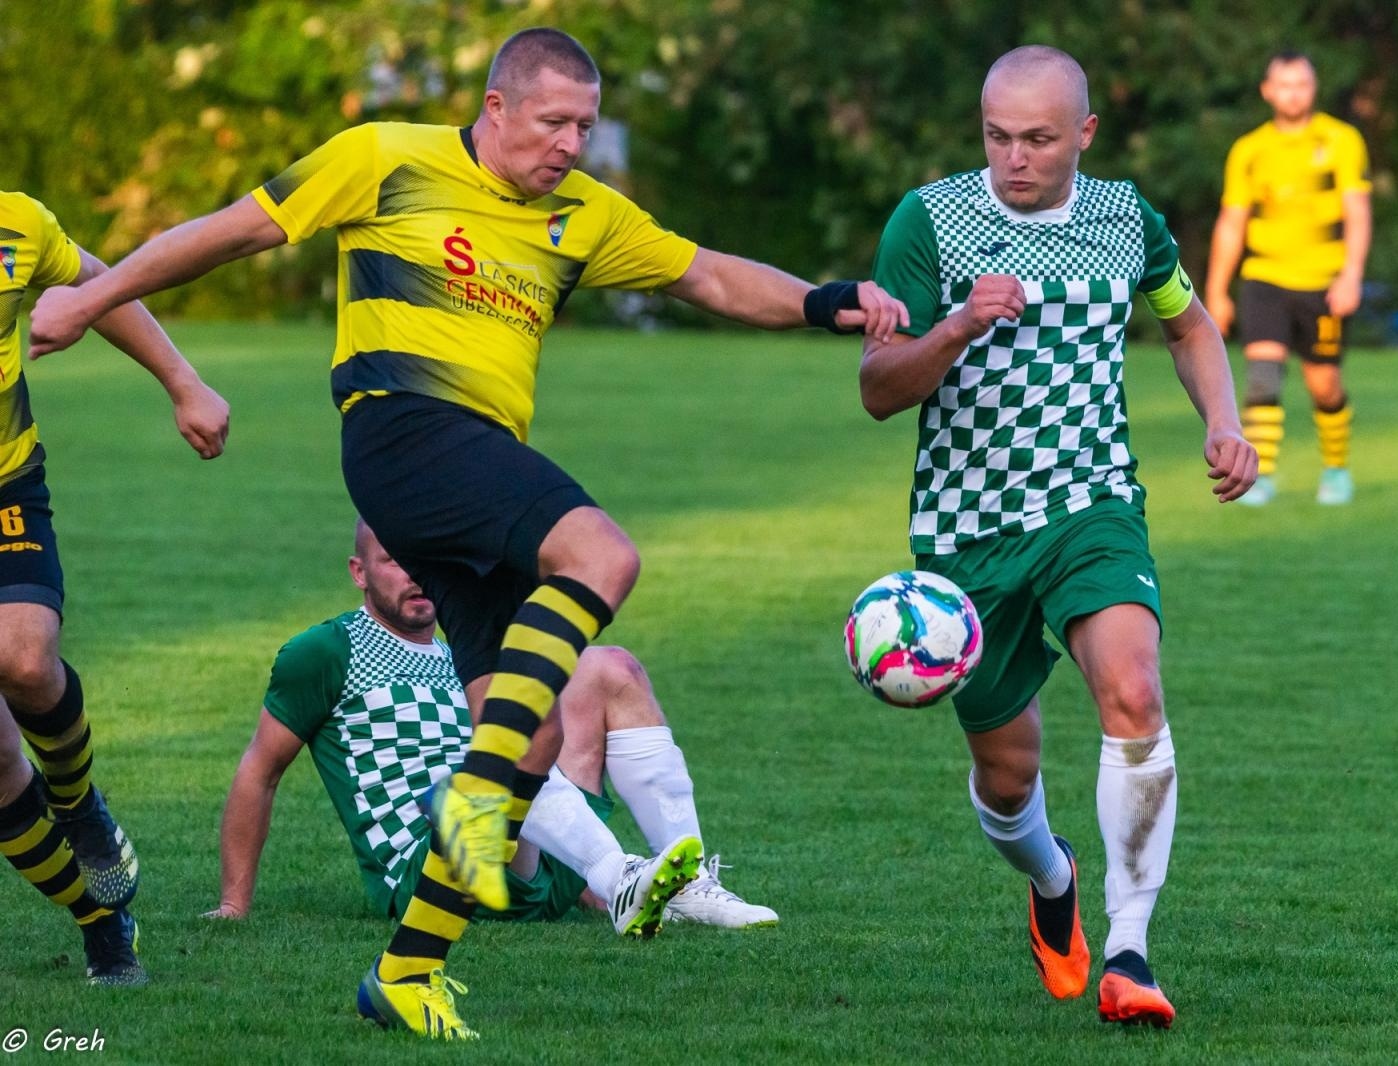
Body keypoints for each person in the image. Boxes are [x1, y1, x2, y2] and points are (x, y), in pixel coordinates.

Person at [28, 28, 902, 1036]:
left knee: (530, 734)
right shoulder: (385, 157)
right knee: (603, 555)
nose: (570, 143)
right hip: (403, 429)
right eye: (553, 121)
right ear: (495, 108)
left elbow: (704, 276)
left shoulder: (583, 213)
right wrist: (93, 296)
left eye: (585, 125)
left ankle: (407, 970)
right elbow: (231, 231)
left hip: (475, 466)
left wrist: (826, 302)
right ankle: (472, 805)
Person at [861, 47, 1257, 1029]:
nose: (1015, 158)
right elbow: (878, 387)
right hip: (965, 530)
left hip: (1091, 502)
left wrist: (1223, 421)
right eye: (997, 136)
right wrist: (956, 326)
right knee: (1008, 777)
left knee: (1134, 689)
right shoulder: (928, 220)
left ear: (1084, 133)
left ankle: (1130, 951)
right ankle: (1050, 874)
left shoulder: (1125, 218)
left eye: (1038, 139)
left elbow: (1188, 325)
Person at [205, 520, 776, 952]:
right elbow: (260, 770)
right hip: (429, 866)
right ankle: (615, 874)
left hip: (522, 850)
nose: (416, 576)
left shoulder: (461, 652)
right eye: (395, 562)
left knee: (609, 668)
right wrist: (233, 905)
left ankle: (680, 884)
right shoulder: (327, 651)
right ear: (360, 572)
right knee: (497, 745)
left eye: (427, 562)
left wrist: (578, 890)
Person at [0, 189, 230, 987]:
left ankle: (79, 805)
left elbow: (98, 284)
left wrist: (183, 381)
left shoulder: (17, 223)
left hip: (5, 486)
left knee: (25, 660)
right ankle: (101, 921)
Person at [1205, 51, 1372, 506]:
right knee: (1263, 378)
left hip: (1324, 282)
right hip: (1265, 277)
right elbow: (1231, 222)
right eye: (1284, 84)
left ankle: (1336, 469)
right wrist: (1216, 291)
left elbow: (1357, 212)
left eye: (1301, 84)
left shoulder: (1341, 140)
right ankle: (1260, 476)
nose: (1293, 93)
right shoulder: (1250, 150)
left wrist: (1352, 275)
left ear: (1313, 89)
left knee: (1325, 385)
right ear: (1268, 91)